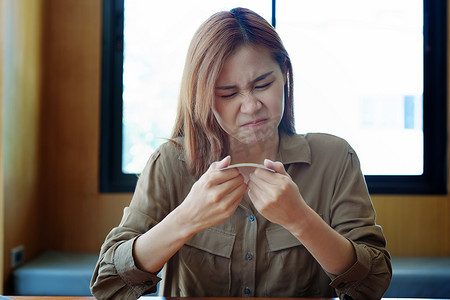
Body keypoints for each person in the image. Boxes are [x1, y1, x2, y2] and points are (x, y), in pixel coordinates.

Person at [90, 7, 391, 300]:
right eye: (228, 94)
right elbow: (108, 285)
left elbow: (372, 286)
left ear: (285, 72)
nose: (250, 106)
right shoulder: (169, 163)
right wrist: (185, 218)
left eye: (263, 84)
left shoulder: (335, 159)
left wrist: (301, 220)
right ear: (204, 97)